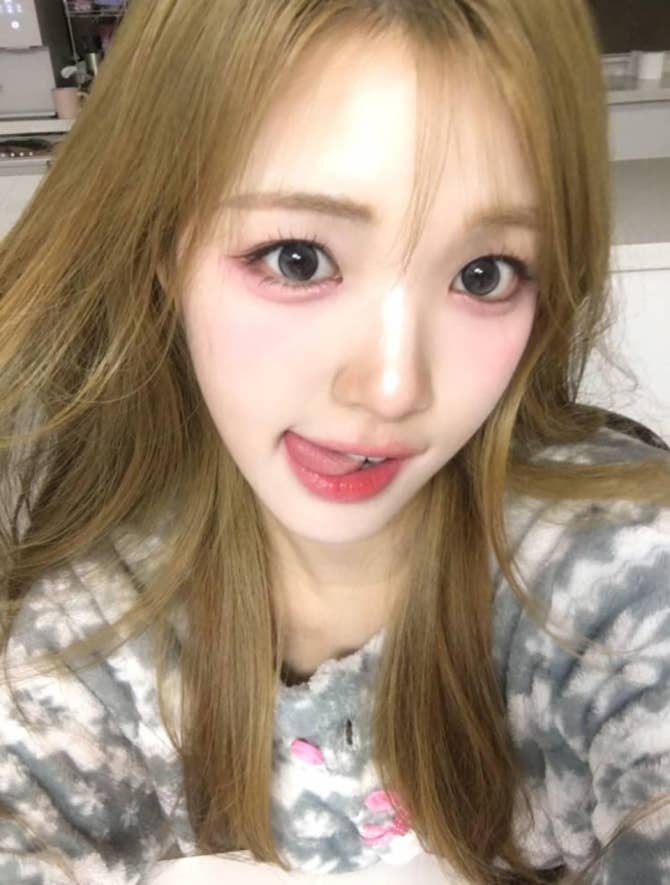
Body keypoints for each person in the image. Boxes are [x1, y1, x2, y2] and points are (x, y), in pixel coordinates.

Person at [1, 0, 669, 883]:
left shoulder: (618, 580)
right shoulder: (91, 642)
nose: (393, 388)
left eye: (484, 274)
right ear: (164, 249)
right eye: (298, 259)